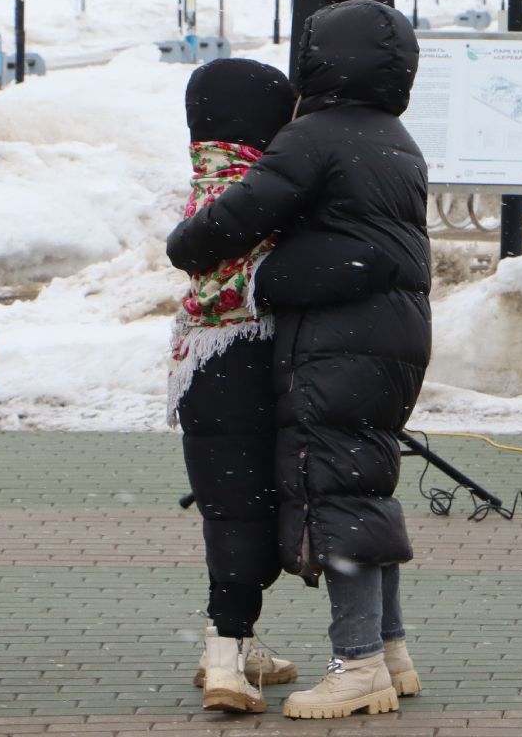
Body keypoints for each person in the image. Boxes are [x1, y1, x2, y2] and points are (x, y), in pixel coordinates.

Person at [167, 0, 430, 720]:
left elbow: (248, 211)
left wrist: (191, 246)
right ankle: (393, 650)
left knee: (336, 490)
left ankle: (359, 664)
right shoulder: (397, 139)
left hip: (337, 341)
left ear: (315, 64)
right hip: (397, 339)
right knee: (365, 481)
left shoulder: (313, 136)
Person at [167, 58, 302, 713]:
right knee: (258, 514)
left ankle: (232, 646)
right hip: (256, 362)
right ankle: (224, 659)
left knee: (227, 513)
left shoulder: (205, 183)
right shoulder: (268, 190)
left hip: (196, 370)